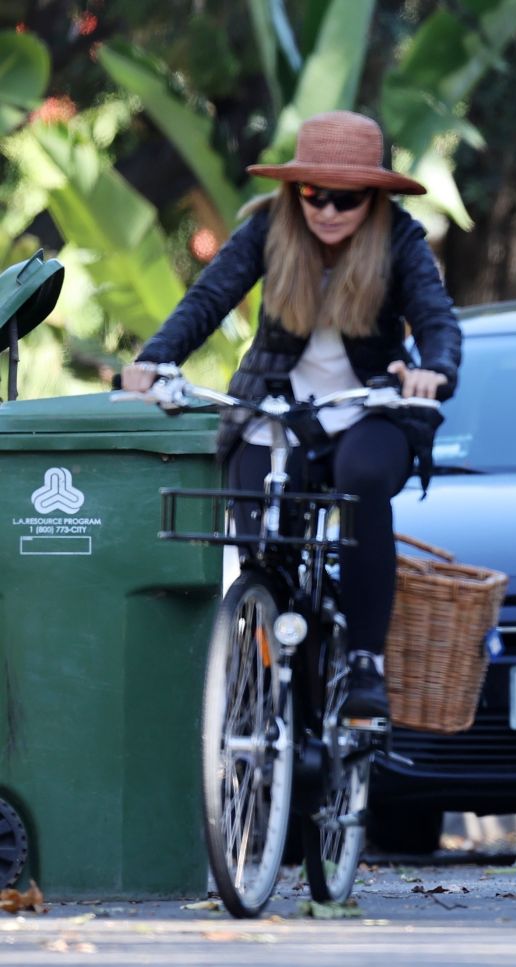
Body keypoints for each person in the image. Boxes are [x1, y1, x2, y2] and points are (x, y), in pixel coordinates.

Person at [122, 110, 462, 722]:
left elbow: (436, 317)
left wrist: (433, 368)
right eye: (313, 195)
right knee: (254, 527)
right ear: (293, 190)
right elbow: (208, 299)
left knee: (362, 484)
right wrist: (155, 360)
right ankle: (258, 651)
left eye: (346, 198)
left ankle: (363, 662)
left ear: (374, 197)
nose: (327, 211)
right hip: (275, 411)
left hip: (369, 410)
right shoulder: (265, 231)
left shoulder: (400, 239)